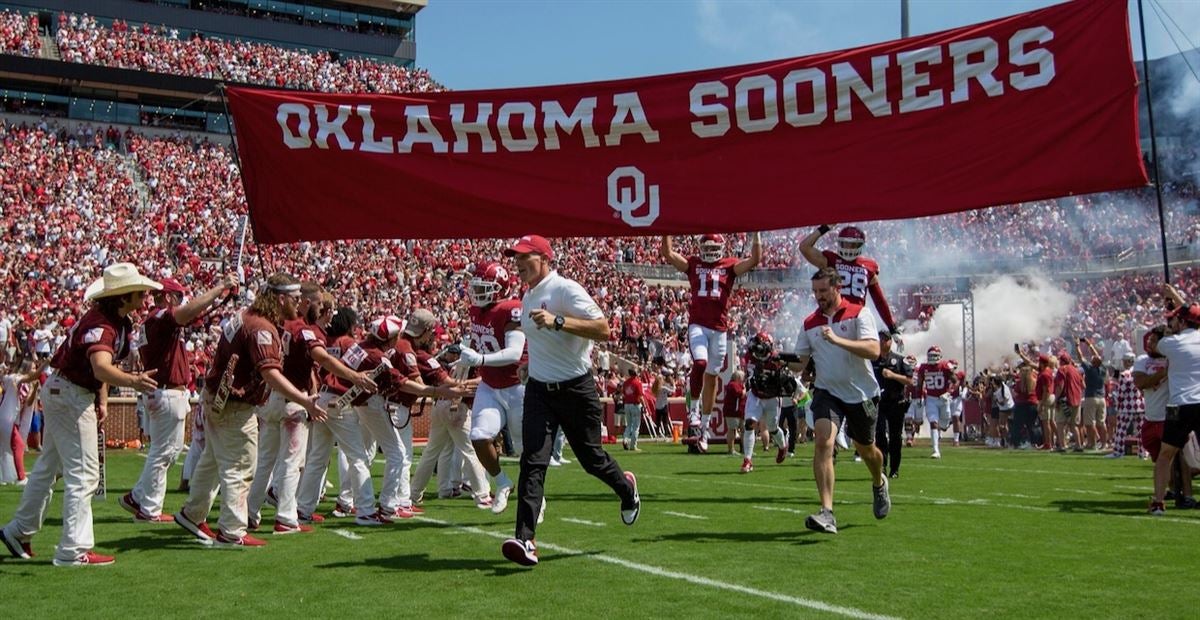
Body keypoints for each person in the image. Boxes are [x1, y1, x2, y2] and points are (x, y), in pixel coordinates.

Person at [1, 263, 162, 565]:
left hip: (69, 391)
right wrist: (133, 382)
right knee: (84, 474)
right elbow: (101, 366)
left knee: (48, 468)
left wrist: (101, 399)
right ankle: (73, 549)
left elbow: (97, 370)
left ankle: (18, 530)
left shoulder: (113, 320)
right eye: (140, 291)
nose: (145, 295)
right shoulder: (103, 324)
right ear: (124, 295)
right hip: (72, 395)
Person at [500, 234, 639, 567]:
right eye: (515, 257)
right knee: (533, 461)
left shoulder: (564, 289)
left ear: (544, 258)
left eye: (524, 256)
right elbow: (541, 342)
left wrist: (559, 320)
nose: (518, 263)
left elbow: (604, 329)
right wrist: (528, 365)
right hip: (539, 390)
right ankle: (525, 539)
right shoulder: (528, 295)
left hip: (575, 389)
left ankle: (626, 489)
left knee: (591, 459)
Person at [174, 273, 328, 548]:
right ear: (280, 299)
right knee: (241, 464)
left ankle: (192, 513)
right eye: (294, 299)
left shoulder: (246, 316)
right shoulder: (261, 328)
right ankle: (232, 530)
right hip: (234, 403)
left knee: (211, 461)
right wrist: (304, 400)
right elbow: (270, 373)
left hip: (217, 396)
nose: (299, 304)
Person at [247, 281, 376, 533]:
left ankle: (250, 513)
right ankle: (286, 517)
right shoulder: (302, 329)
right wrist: (355, 377)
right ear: (306, 303)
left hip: (271, 396)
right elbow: (324, 358)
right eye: (318, 302)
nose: (322, 308)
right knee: (291, 461)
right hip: (293, 397)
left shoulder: (276, 323)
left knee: (266, 461)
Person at [120, 275, 237, 524]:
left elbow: (192, 314)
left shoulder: (154, 321)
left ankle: (139, 497)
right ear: (170, 298)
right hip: (167, 391)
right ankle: (148, 508)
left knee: (166, 451)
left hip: (163, 391)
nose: (182, 303)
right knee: (164, 453)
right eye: (179, 298)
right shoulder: (161, 317)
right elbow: (188, 312)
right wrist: (220, 287)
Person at [786, 267, 890, 535]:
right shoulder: (810, 322)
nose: (818, 296)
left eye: (823, 291)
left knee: (868, 451)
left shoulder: (859, 312)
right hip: (827, 392)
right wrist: (779, 360)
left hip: (861, 393)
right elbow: (801, 362)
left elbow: (873, 350)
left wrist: (838, 340)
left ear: (837, 288)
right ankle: (827, 512)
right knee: (823, 442)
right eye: (815, 292)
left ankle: (879, 482)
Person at [660, 232, 761, 452]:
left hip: (720, 329)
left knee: (712, 376)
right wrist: (666, 228)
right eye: (705, 247)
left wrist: (756, 235)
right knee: (700, 364)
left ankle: (704, 428)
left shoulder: (729, 265)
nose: (708, 252)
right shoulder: (694, 264)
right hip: (698, 324)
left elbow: (754, 260)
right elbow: (667, 253)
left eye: (712, 247)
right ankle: (693, 411)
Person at [296, 306, 384, 523]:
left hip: (322, 396)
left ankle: (303, 509)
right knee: (358, 457)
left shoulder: (325, 341)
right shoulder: (347, 343)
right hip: (340, 400)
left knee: (317, 458)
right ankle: (365, 509)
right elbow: (370, 360)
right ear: (349, 325)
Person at [454, 261, 527, 514]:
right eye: (476, 287)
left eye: (484, 287)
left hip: (517, 386)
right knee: (479, 436)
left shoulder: (512, 308)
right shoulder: (476, 309)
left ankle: (535, 498)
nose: (477, 292)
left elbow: (515, 352)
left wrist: (480, 359)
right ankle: (502, 482)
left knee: (522, 448)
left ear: (500, 288)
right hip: (489, 384)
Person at [410, 344, 489, 507]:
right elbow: (477, 381)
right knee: (470, 451)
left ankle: (417, 492)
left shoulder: (454, 364)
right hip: (456, 405)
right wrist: (457, 400)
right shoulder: (470, 363)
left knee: (433, 452)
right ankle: (482, 495)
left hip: (440, 405)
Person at [798, 224, 900, 337]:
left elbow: (879, 300)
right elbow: (804, 247)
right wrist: (825, 227)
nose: (848, 247)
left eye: (853, 244)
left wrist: (892, 327)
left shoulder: (869, 266)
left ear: (860, 245)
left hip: (857, 318)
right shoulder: (831, 260)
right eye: (845, 243)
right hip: (834, 317)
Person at [1150, 290, 1200, 515]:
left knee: (1165, 455)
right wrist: (1178, 299)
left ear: (1181, 321)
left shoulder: (1171, 343)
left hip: (1179, 405)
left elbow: (1155, 345)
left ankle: (1158, 502)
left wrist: (1169, 327)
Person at [741, 332, 788, 472]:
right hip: (755, 395)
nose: (757, 351)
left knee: (772, 428)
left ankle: (782, 446)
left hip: (772, 397)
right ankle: (747, 460)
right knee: (749, 423)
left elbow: (784, 379)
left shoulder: (776, 359)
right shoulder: (749, 357)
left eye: (760, 347)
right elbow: (748, 376)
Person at [872, 331, 913, 478]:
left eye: (886, 339)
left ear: (891, 341)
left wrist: (893, 375)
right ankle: (881, 466)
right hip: (879, 402)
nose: (883, 342)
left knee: (895, 437)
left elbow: (909, 380)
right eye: (880, 339)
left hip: (896, 402)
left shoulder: (900, 360)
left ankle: (894, 469)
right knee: (880, 434)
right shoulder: (872, 360)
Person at [1, 359, 44, 484]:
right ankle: (21, 477)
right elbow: (33, 377)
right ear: (26, 369)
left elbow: (29, 403)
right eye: (33, 368)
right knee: (18, 445)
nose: (35, 371)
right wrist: (45, 365)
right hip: (6, 419)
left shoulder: (24, 384)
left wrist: (35, 389)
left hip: (11, 419)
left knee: (6, 448)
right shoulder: (16, 379)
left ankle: (6, 476)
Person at [916, 346, 955, 459]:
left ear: (939, 356)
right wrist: (919, 397)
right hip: (931, 399)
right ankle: (935, 450)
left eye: (934, 355)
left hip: (944, 399)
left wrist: (949, 392)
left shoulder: (945, 366)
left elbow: (955, 381)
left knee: (943, 425)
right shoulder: (923, 367)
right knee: (933, 423)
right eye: (930, 355)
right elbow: (919, 384)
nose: (932, 358)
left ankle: (945, 425)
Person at [1108, 353, 1146, 459]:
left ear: (1129, 361)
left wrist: (1118, 401)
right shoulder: (1140, 372)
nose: (1123, 362)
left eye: (1125, 361)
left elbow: (1121, 391)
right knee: (1141, 430)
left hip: (1127, 406)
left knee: (1121, 429)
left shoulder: (1125, 374)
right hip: (1141, 404)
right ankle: (1143, 453)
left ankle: (1118, 452)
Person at [1077, 337, 1109, 450]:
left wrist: (1077, 346)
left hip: (1091, 397)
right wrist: (1089, 344)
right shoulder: (1103, 369)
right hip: (1102, 398)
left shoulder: (1090, 369)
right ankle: (1104, 443)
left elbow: (1080, 358)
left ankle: (1092, 443)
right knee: (1101, 423)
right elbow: (1097, 358)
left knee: (1089, 423)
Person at [1054, 352, 1084, 452]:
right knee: (1074, 424)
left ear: (1062, 361)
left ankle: (1062, 446)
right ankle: (1078, 445)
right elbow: (1083, 385)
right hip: (1077, 400)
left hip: (1065, 400)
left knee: (1060, 423)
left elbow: (1060, 385)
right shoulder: (1076, 370)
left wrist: (1056, 399)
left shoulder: (1062, 369)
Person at [722, 370, 746, 455]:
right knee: (732, 430)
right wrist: (744, 390)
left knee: (745, 430)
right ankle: (731, 449)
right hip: (733, 412)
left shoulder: (738, 385)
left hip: (740, 412)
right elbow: (740, 394)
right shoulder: (733, 385)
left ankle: (744, 449)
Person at [621, 367, 645, 452]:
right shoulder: (637, 383)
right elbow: (640, 396)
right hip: (635, 405)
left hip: (627, 404)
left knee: (629, 424)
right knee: (636, 426)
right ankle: (633, 445)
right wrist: (645, 406)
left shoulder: (626, 383)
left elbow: (624, 393)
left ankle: (625, 439)